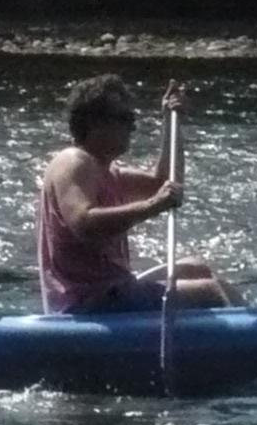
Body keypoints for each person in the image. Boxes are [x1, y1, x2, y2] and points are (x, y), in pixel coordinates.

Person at [38, 74, 239, 313]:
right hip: (87, 301)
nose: (132, 127)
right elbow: (83, 223)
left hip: (113, 289)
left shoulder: (108, 171)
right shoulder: (73, 161)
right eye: (125, 118)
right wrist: (153, 205)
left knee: (196, 268)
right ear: (94, 124)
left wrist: (171, 121)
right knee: (215, 292)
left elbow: (166, 182)